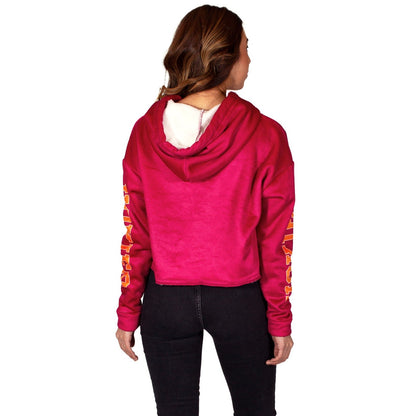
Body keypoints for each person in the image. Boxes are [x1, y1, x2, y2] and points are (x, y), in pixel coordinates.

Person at [115, 5, 295, 416]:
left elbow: (136, 232)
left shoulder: (144, 132)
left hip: (165, 299)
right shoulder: (266, 135)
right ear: (224, 57)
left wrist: (128, 308)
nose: (250, 59)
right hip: (239, 299)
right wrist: (279, 318)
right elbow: (275, 239)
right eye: (246, 48)